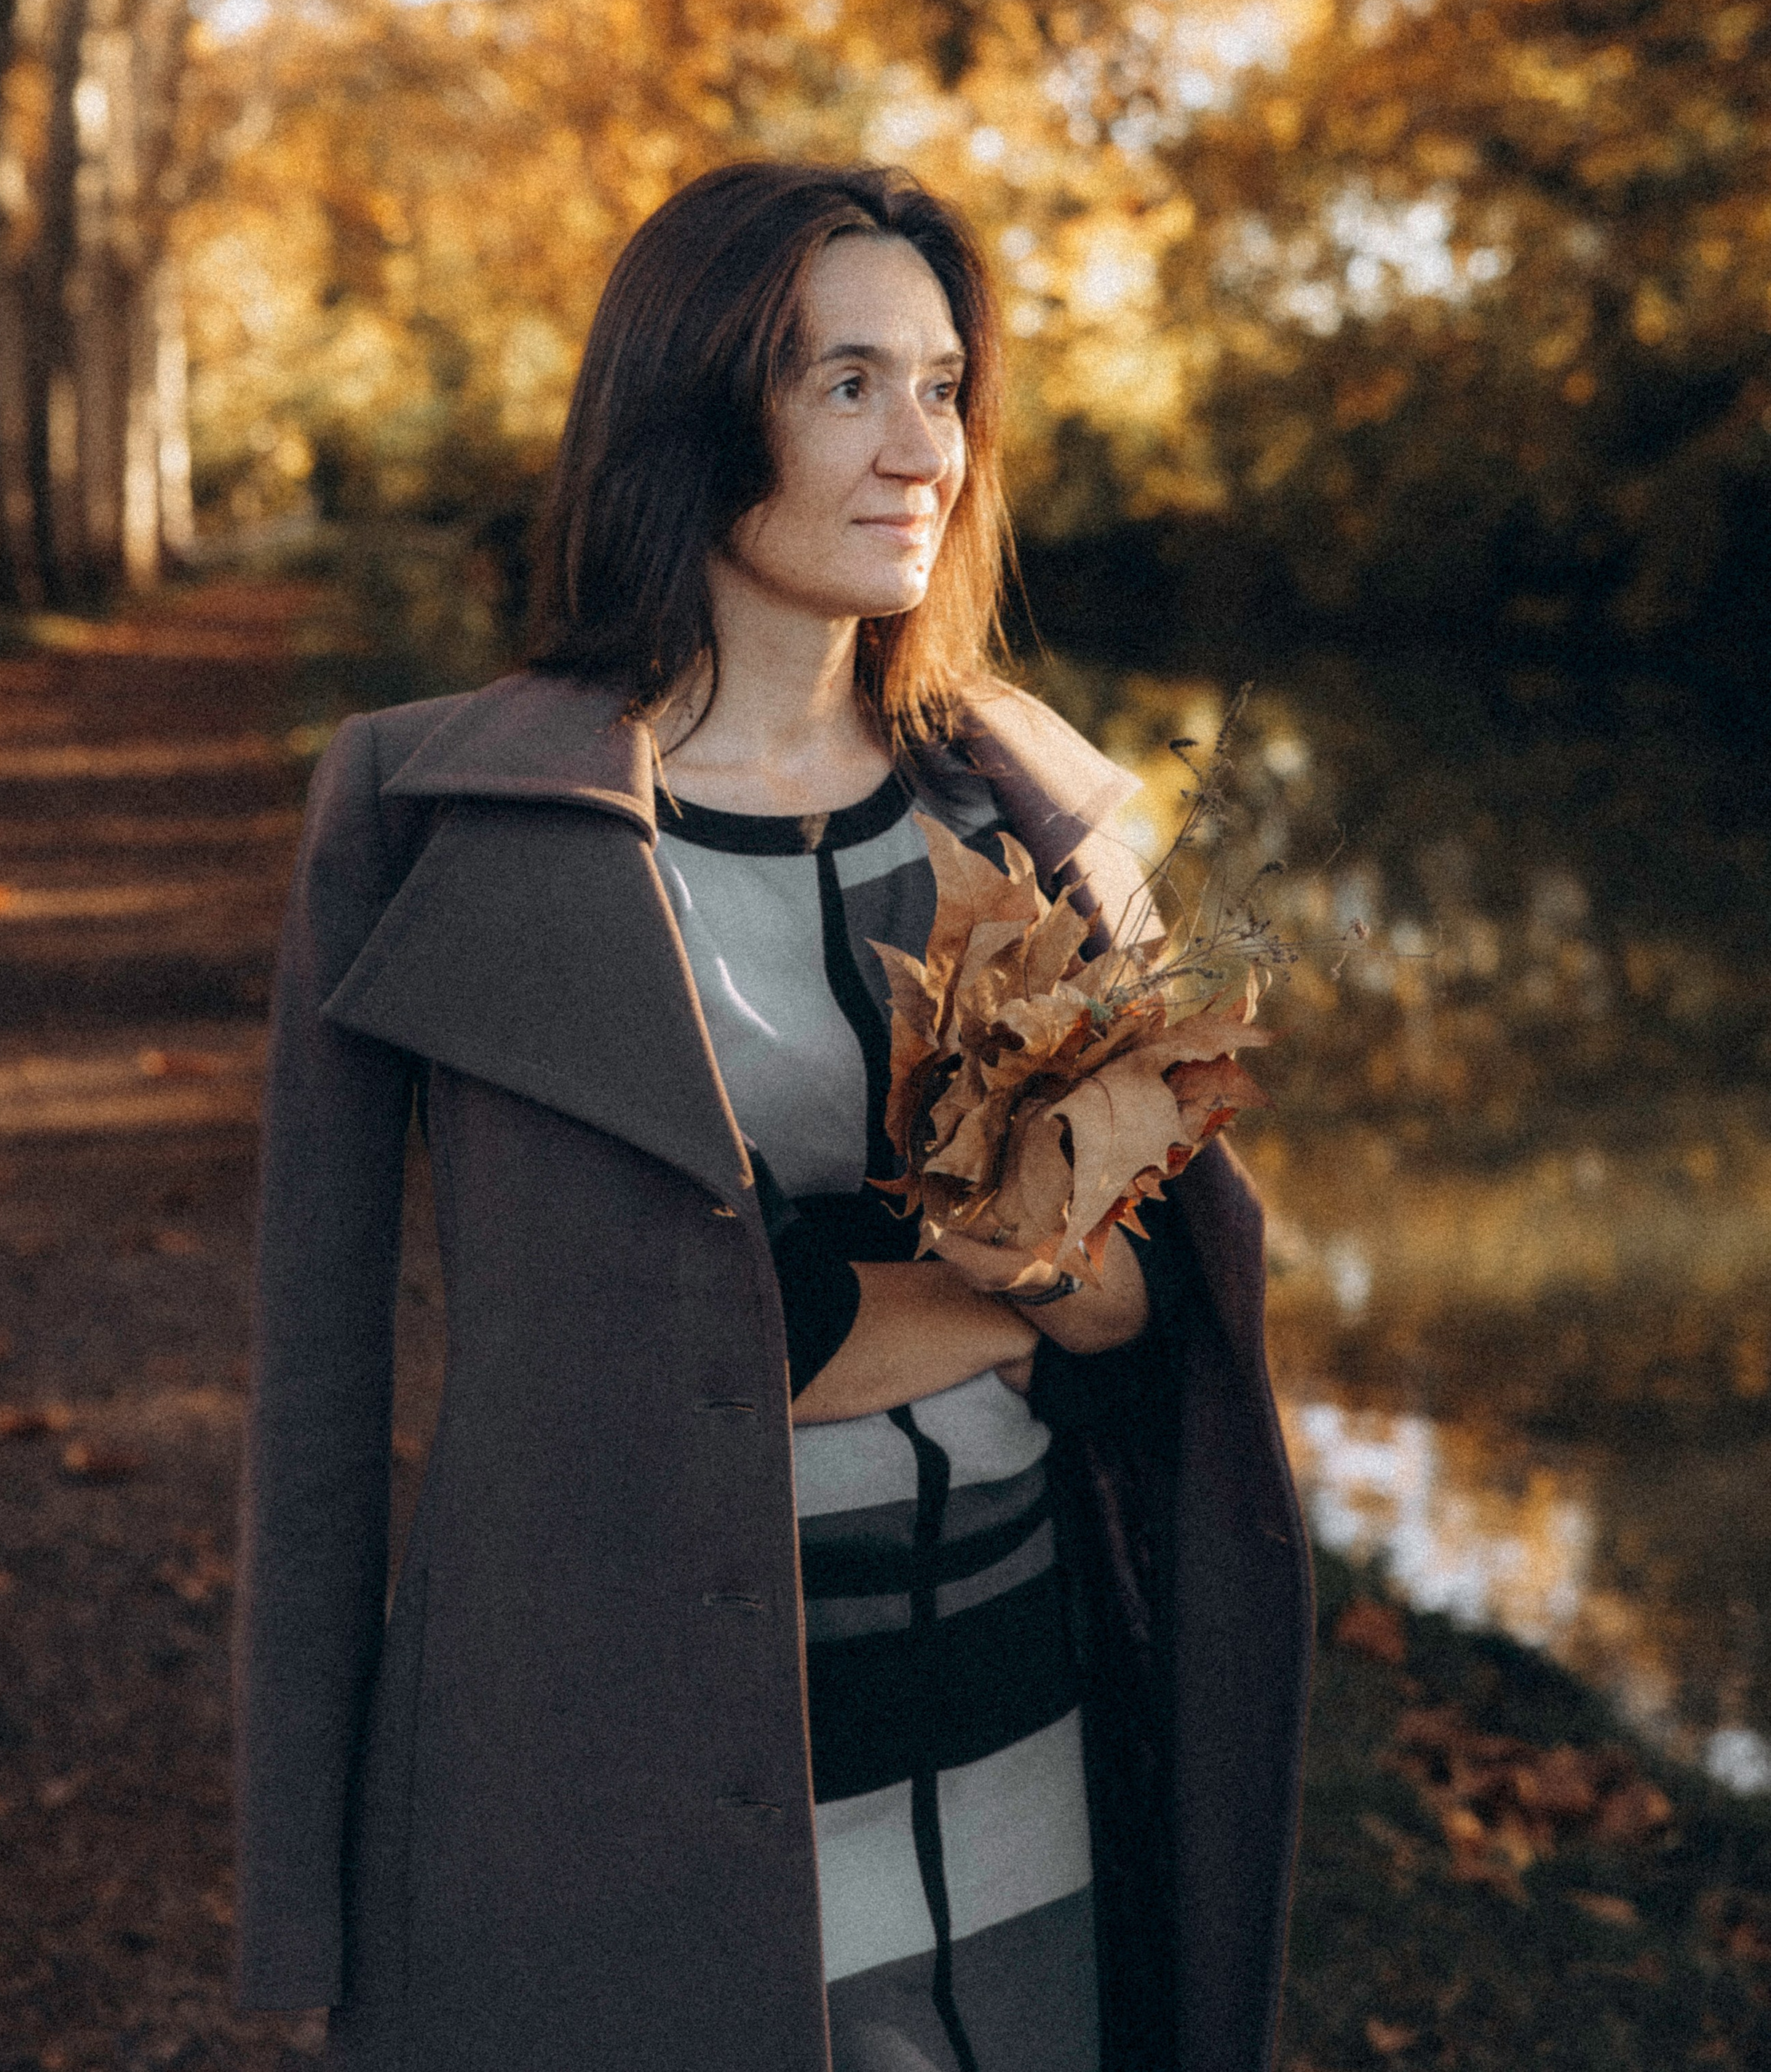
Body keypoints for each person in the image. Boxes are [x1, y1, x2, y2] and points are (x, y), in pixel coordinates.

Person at [233, 162, 1312, 2072]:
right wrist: (305, 1895)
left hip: (1024, 1787)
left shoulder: (1038, 813)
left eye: (946, 386)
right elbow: (351, 1408)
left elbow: (1168, 1330)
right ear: (690, 411)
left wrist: (911, 1292)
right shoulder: (431, 815)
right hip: (628, 1821)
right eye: (847, 386)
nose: (925, 451)